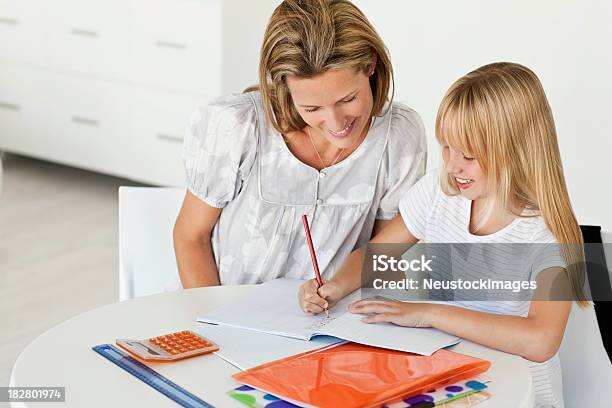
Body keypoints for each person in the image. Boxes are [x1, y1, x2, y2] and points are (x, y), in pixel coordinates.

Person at [298, 62, 587, 407]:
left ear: (517, 151)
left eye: (468, 154)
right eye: (446, 147)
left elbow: (541, 341)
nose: (452, 165)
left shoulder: (550, 233)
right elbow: (376, 257)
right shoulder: (440, 192)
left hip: (520, 396)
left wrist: (429, 313)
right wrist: (334, 286)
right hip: (452, 383)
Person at [173, 0, 427, 288]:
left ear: (370, 63)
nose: (335, 123)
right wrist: (211, 324)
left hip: (332, 322)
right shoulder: (235, 126)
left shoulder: (400, 135)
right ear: (284, 86)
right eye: (312, 108)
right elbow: (190, 237)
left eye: (347, 99)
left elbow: (384, 255)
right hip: (221, 315)